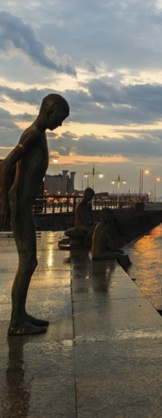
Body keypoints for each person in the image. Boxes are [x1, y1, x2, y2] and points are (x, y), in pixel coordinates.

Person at [0, 94, 70, 335]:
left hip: (23, 203)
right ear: (48, 112)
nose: (60, 125)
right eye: (59, 119)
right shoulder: (32, 135)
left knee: (29, 261)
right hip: (19, 203)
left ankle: (20, 314)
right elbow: (6, 165)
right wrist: (4, 204)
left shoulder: (39, 135)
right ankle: (16, 322)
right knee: (28, 261)